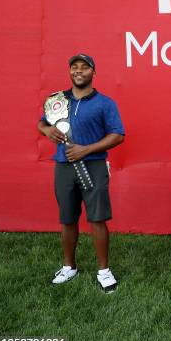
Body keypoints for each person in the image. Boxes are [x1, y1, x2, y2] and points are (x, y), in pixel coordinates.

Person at [37, 53, 125, 293]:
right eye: (74, 67)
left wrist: (87, 149)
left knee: (97, 219)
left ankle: (104, 271)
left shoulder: (105, 103)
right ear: (69, 71)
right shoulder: (57, 100)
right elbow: (42, 123)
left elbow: (117, 135)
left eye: (84, 68)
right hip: (64, 166)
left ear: (93, 73)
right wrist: (47, 132)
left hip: (94, 165)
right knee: (67, 219)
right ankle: (69, 267)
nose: (78, 71)